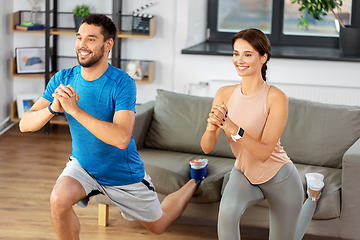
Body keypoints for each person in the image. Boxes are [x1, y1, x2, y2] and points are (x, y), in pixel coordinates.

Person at [19, 14, 205, 240]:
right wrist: (52, 109)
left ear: (108, 44)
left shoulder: (121, 82)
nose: (82, 45)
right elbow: (24, 124)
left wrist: (74, 110)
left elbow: (121, 138)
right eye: (79, 38)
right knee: (58, 199)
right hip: (83, 166)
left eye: (90, 39)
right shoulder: (63, 78)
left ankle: (195, 180)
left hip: (122, 174)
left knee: (159, 225)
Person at [200, 28, 324, 240]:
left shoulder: (276, 97)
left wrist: (233, 129)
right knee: (227, 213)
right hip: (244, 174)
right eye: (236, 53)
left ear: (263, 57)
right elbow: (206, 147)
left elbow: (265, 152)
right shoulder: (224, 94)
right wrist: (212, 127)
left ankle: (313, 196)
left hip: (280, 178)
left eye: (247, 54)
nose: (240, 60)